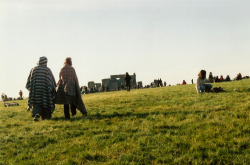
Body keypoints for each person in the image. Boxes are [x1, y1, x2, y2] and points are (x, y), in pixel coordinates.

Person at [26, 56, 56, 121]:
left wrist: (30, 88)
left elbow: (29, 81)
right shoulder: (47, 70)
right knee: (45, 102)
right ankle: (45, 116)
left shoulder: (33, 69)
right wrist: (53, 89)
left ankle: (37, 113)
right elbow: (51, 81)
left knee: (36, 103)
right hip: (45, 90)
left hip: (35, 90)